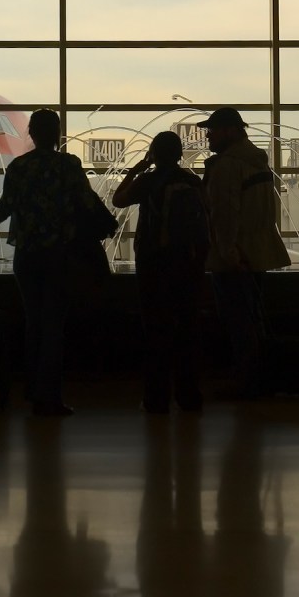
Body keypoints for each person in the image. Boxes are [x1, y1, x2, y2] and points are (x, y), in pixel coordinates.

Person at [0, 108, 102, 417]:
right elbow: (87, 203)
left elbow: (5, 207)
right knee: (54, 325)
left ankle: (31, 389)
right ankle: (49, 396)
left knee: (34, 322)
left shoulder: (19, 167)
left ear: (31, 133)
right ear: (57, 134)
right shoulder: (68, 166)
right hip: (59, 255)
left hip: (27, 256)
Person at [197, 107, 291, 399]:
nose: (208, 136)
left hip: (235, 257)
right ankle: (260, 378)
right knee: (253, 318)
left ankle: (247, 382)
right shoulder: (259, 163)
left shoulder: (228, 165)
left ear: (230, 131)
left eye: (212, 130)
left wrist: (227, 252)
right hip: (258, 252)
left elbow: (224, 213)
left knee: (238, 321)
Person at [112, 131, 208, 413]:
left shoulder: (150, 181)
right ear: (179, 154)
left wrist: (137, 169)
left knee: (156, 331)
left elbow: (118, 200)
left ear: (154, 154)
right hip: (188, 264)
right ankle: (189, 396)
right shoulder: (193, 181)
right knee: (187, 329)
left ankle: (156, 398)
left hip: (154, 263)